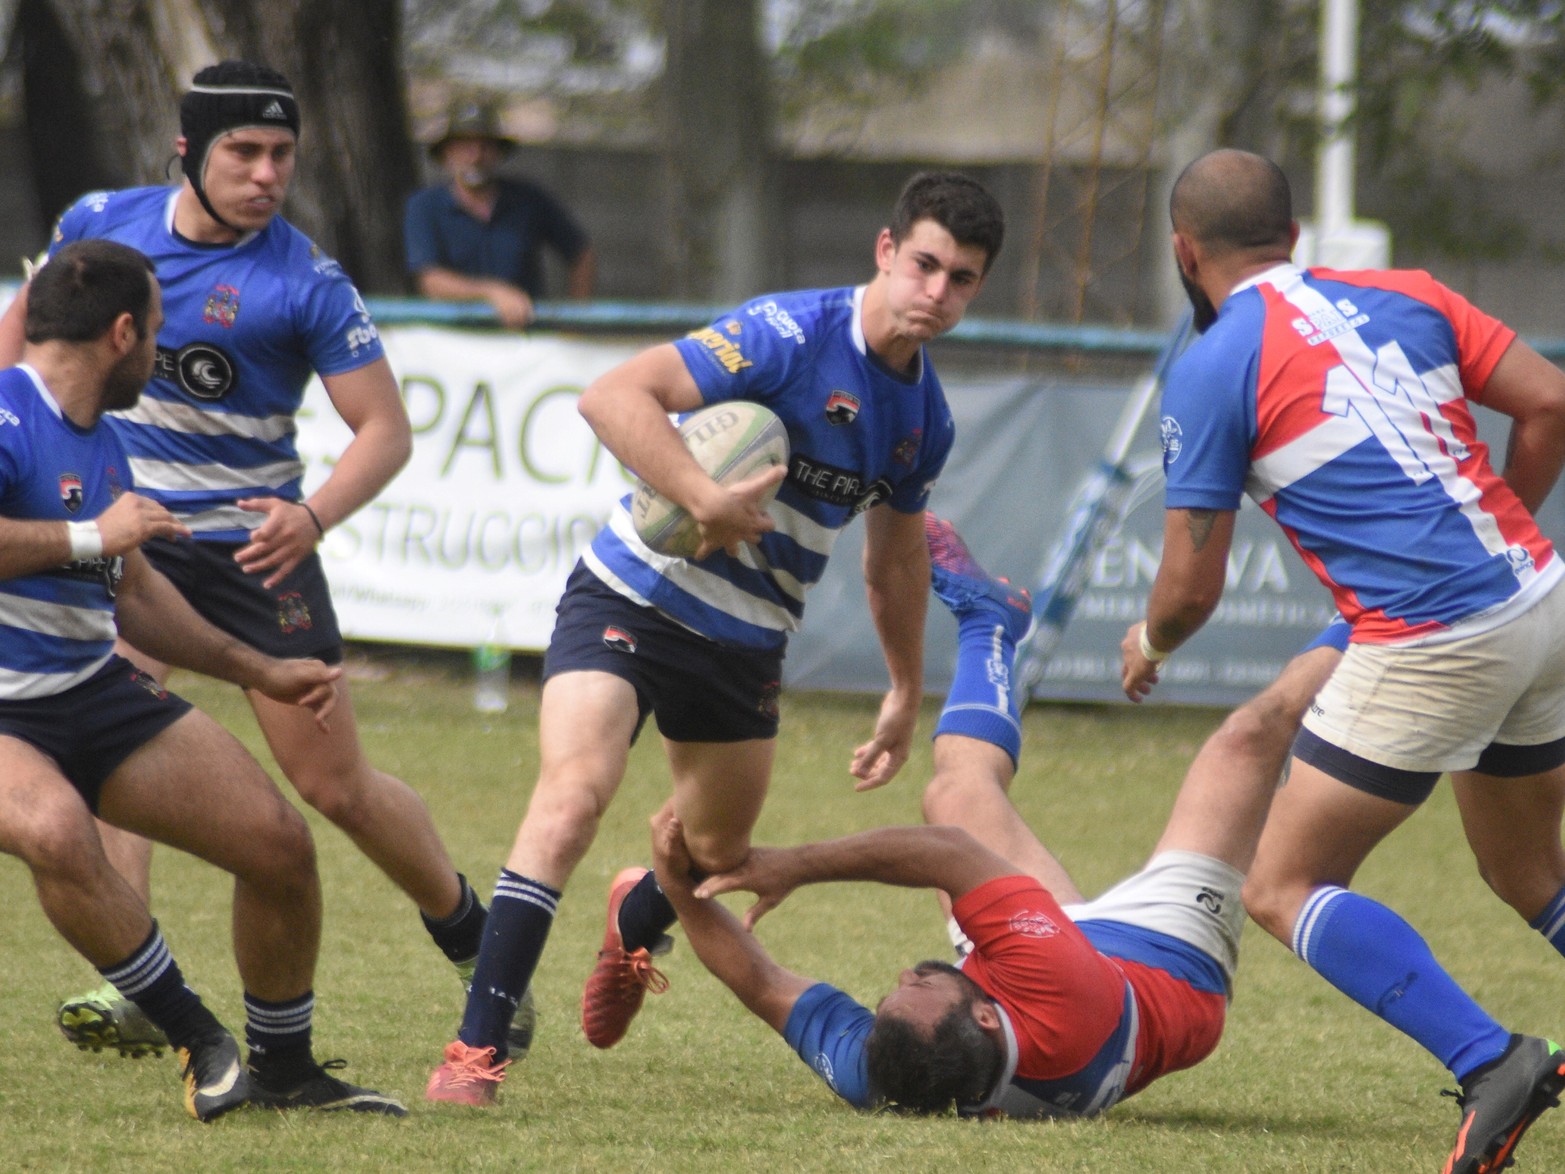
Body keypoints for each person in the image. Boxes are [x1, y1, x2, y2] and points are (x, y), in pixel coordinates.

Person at [424, 173, 1006, 1105]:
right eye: (925, 265)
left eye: (962, 279)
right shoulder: (789, 334)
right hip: (635, 593)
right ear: (885, 252)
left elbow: (893, 561)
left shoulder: (921, 421)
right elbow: (612, 396)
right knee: (573, 797)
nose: (935, 293)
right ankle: (473, 1052)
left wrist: (903, 686)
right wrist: (701, 498)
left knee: (715, 855)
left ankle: (636, 915)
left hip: (744, 642)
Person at [0, 60, 514, 1061]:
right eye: (243, 150)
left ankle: (468, 932)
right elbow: (20, 350)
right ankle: (136, 986)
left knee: (332, 785)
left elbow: (384, 431)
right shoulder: (101, 226)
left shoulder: (304, 280)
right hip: (121, 531)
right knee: (120, 718)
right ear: (187, 154)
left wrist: (311, 517)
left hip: (250, 550)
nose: (267, 172)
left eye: (282, 153)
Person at [1120, 147, 1565, 1174]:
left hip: (1434, 634)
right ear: (1291, 232)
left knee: (1280, 882)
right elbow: (1547, 404)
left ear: (1185, 253)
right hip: (1538, 597)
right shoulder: (1404, 292)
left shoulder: (1213, 360)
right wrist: (1495, 540)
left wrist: (1146, 644)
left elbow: (1188, 589)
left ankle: (1490, 1060)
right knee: (1529, 869)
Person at [646, 516, 1344, 1118]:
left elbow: (762, 984)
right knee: (1246, 739)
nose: (903, 977)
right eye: (920, 987)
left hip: (1063, 967)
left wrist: (679, 887)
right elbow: (947, 854)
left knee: (954, 794)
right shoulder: (1060, 1002)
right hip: (1167, 962)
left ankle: (990, 620)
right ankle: (1386, 609)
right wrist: (791, 866)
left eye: (888, 997)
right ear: (985, 1011)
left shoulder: (888, 1075)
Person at [0, 237, 403, 1118]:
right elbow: (98, 545)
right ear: (120, 333)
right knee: (59, 831)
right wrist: (87, 538)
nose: (161, 349)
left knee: (277, 845)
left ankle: (286, 1071)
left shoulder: (100, 437)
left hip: (88, 691)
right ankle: (196, 1038)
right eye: (156, 330)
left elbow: (137, 594)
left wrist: (262, 668)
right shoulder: (4, 413)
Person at [403, 99, 595, 329]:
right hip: (454, 342)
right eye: (465, 146)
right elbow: (431, 281)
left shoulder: (529, 200)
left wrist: (575, 320)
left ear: (498, 153)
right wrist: (493, 293)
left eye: (485, 146)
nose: (476, 156)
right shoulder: (424, 206)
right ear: (447, 153)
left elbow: (581, 252)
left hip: (525, 339)